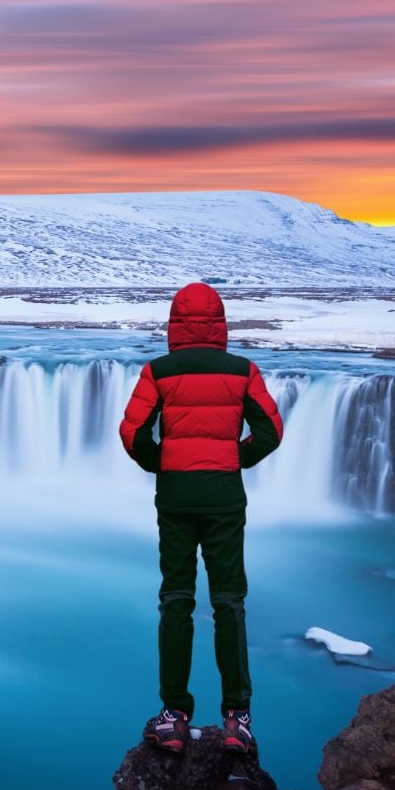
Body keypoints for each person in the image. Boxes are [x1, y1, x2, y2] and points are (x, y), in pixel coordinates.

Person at [118, 281, 284, 755]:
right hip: (225, 499)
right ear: (220, 323)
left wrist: (161, 462)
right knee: (229, 600)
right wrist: (236, 459)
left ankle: (174, 716)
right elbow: (270, 431)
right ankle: (237, 717)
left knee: (176, 600)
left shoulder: (159, 372)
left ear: (174, 323)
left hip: (175, 499)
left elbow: (133, 433)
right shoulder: (243, 371)